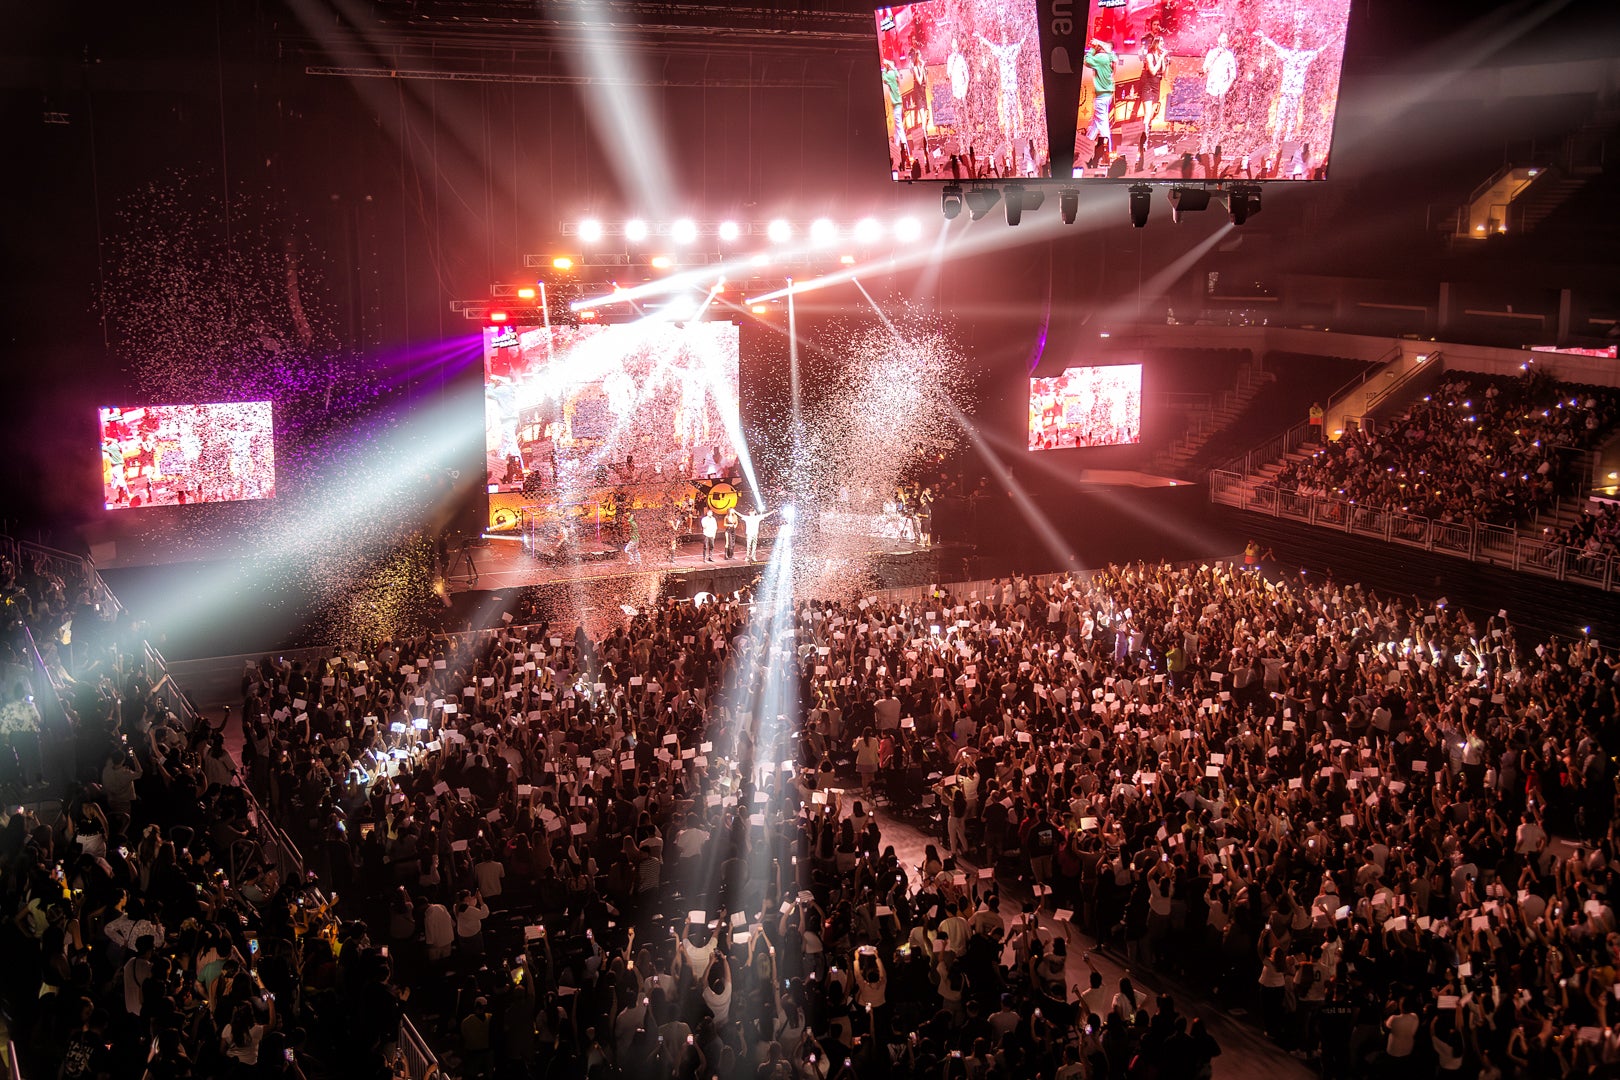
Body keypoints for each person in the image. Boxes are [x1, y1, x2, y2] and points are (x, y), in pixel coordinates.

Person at [1083, 35, 1118, 165]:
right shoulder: (1110, 57)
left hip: (1102, 97)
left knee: (1103, 126)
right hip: (1106, 95)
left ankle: (1107, 153)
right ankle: (1084, 150)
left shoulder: (1101, 58)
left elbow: (1086, 61)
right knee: (1095, 125)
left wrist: (1092, 49)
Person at [1201, 32, 1237, 154]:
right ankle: (1204, 148)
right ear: (1218, 40)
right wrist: (1215, 56)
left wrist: (1225, 90)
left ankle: (1213, 147)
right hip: (1210, 90)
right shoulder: (1212, 53)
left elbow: (1233, 76)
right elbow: (1204, 69)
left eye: (1226, 38)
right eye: (1222, 38)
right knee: (1207, 119)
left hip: (1221, 92)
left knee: (1218, 120)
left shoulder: (1229, 56)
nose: (1224, 40)